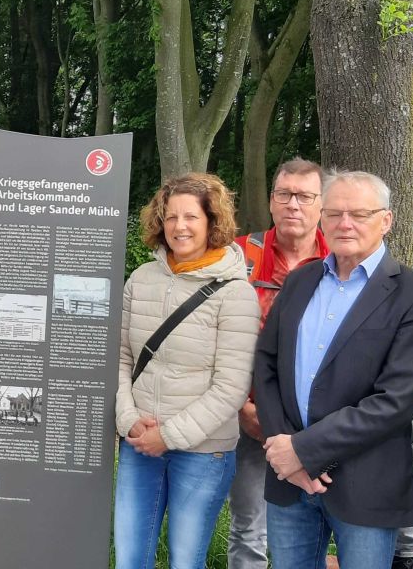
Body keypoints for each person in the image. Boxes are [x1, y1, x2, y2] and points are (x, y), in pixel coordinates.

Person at [229, 159, 413, 569]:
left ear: (386, 220)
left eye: (359, 214)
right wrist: (282, 447)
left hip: (365, 482)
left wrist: (302, 451)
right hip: (288, 479)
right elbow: (266, 365)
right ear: (322, 219)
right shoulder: (300, 282)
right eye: (335, 213)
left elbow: (396, 400)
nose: (345, 223)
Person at [113, 173, 260, 569]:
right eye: (171, 216)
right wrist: (128, 421)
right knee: (129, 560)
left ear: (212, 222)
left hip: (202, 452)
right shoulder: (141, 279)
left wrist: (170, 436)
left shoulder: (235, 292)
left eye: (191, 217)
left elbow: (231, 387)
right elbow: (121, 360)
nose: (180, 226)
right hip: (139, 443)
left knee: (185, 561)